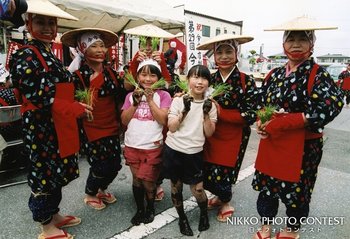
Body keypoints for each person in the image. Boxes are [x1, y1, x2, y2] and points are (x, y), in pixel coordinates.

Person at [252, 16, 344, 239]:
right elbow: (260, 103)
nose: (296, 44)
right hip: (273, 142)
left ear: (312, 43)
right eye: (290, 38)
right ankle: (266, 223)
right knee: (267, 186)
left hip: (304, 146)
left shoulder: (317, 74)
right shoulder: (273, 75)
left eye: (302, 39)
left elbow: (333, 104)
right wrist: (260, 123)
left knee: (299, 189)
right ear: (283, 43)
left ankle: (291, 228)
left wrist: (293, 120)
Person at [8, 1, 92, 239]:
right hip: (41, 126)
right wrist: (72, 106)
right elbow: (35, 91)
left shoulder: (48, 52)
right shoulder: (25, 53)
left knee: (57, 171)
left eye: (50, 23)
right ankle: (45, 224)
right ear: (28, 23)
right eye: (40, 22)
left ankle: (53, 214)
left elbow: (63, 85)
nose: (46, 27)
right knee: (43, 173)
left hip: (58, 124)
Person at [61, 28, 128, 210]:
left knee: (115, 163)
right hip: (91, 127)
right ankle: (90, 192)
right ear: (83, 49)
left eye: (102, 46)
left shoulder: (111, 72)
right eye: (94, 46)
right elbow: (71, 103)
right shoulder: (77, 76)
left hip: (112, 125)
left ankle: (101, 189)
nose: (100, 50)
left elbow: (122, 93)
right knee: (100, 164)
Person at [196, 34, 258, 222]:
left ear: (237, 53)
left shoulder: (246, 81)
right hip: (210, 132)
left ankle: (225, 202)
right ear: (214, 56)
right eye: (219, 52)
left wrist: (221, 112)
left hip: (234, 134)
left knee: (225, 171)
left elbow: (251, 113)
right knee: (207, 168)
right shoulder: (209, 78)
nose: (224, 56)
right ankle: (218, 196)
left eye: (228, 51)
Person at [162, 64, 217, 236]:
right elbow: (171, 128)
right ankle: (182, 218)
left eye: (204, 78)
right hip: (174, 149)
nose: (199, 82)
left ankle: (203, 213)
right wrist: (185, 110)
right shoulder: (178, 100)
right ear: (188, 80)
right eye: (195, 77)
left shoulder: (211, 105)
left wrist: (206, 114)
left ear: (208, 82)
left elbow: (209, 133)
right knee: (176, 187)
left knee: (198, 189)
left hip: (194, 152)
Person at [121, 59, 172, 225]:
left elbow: (163, 119)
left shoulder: (163, 95)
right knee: (136, 180)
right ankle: (140, 209)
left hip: (152, 146)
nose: (148, 79)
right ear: (138, 77)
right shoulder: (131, 96)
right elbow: (124, 120)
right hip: (132, 145)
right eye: (143, 74)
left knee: (149, 182)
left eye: (152, 75)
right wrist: (135, 104)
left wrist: (150, 101)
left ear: (159, 78)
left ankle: (150, 208)